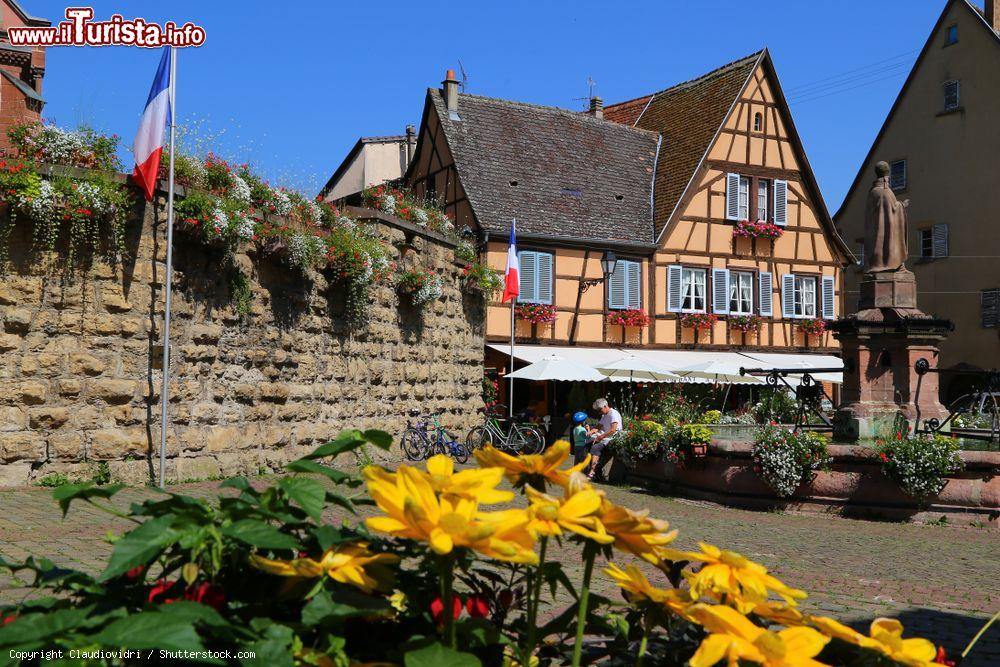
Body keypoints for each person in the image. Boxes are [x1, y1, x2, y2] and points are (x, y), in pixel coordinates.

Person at [587, 398, 622, 480]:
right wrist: (591, 432)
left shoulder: (614, 414)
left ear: (605, 406)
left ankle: (592, 471)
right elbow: (598, 427)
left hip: (613, 437)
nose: (599, 412)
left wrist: (601, 437)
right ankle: (592, 469)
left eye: (600, 410)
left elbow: (613, 429)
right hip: (606, 437)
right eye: (598, 411)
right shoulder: (605, 415)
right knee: (587, 444)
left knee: (595, 447)